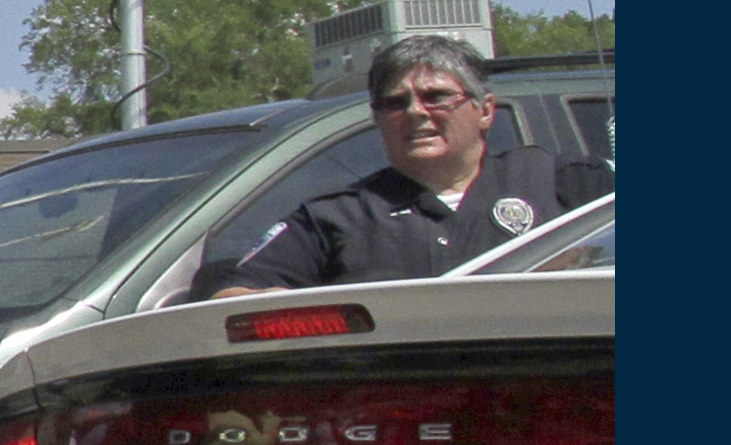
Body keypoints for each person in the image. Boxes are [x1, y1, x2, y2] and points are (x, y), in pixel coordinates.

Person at [220, 35, 613, 292]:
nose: (415, 112)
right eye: (395, 103)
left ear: (485, 110)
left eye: (436, 96)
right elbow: (236, 297)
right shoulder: (335, 217)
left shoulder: (562, 182)